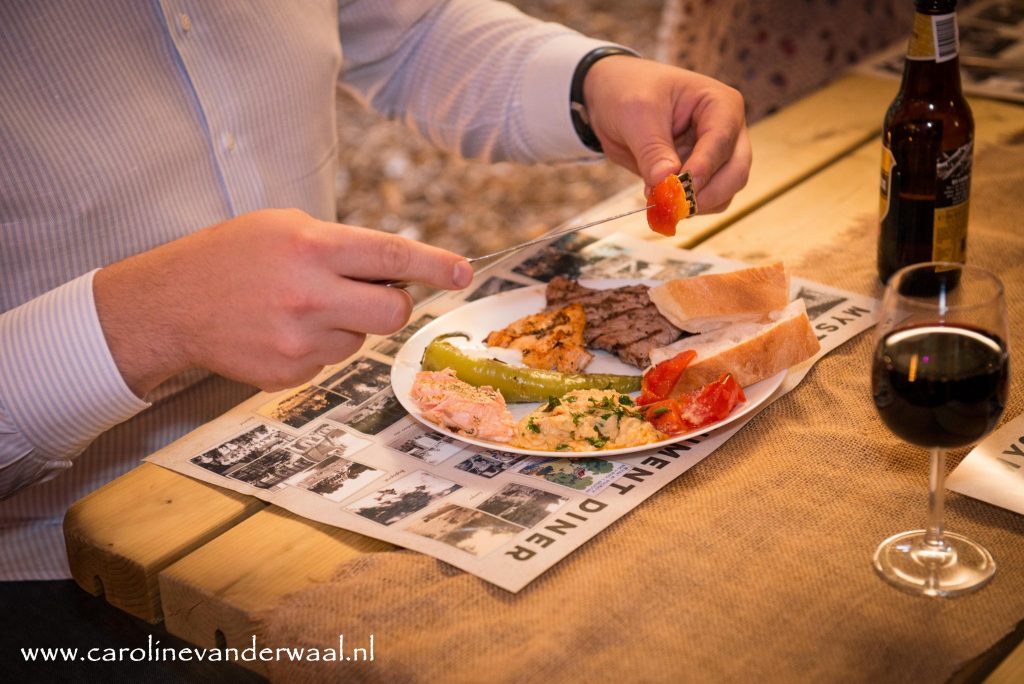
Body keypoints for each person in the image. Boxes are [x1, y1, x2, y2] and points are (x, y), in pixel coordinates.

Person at [0, 0, 751, 579]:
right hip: (60, 563)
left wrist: (592, 80)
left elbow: (410, 28)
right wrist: (150, 319)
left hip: (341, 456)